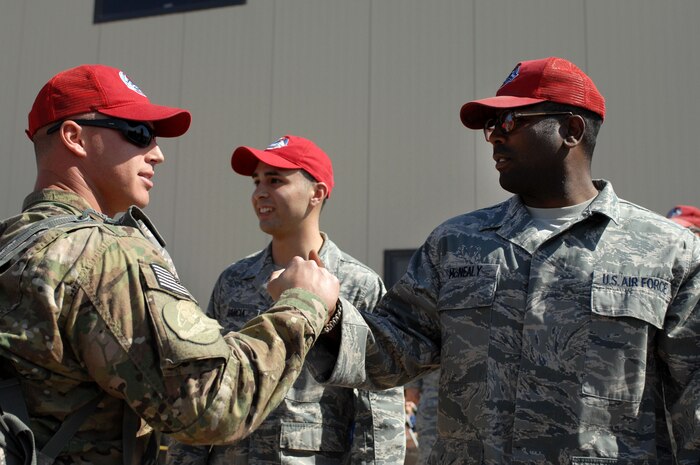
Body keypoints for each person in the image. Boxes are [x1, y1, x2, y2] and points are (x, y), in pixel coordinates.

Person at [306, 57, 700, 464]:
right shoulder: (456, 244)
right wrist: (327, 314)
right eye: (490, 127)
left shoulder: (667, 252)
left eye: (510, 121)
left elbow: (694, 402)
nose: (493, 137)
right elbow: (392, 353)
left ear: (572, 130)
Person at [0, 64, 340, 465]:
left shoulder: (13, 244)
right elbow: (212, 405)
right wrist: (302, 305)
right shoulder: (103, 255)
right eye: (138, 133)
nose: (157, 153)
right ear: (75, 137)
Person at [166, 135, 405, 465]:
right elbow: (204, 381)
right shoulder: (234, 280)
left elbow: (378, 407)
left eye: (275, 180)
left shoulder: (357, 285)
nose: (260, 192)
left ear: (316, 193)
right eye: (257, 181)